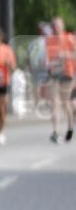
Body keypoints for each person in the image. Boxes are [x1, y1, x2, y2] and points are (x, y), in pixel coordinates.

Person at [45, 15, 76, 143]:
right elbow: (48, 56)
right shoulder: (49, 40)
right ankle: (55, 132)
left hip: (67, 74)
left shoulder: (69, 38)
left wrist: (66, 55)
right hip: (54, 73)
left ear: (62, 26)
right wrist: (48, 63)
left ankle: (69, 128)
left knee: (65, 103)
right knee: (54, 103)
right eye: (54, 25)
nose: (56, 28)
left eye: (58, 25)